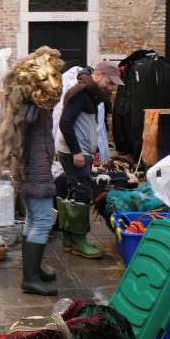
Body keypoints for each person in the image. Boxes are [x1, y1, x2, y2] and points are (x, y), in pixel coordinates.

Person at [0, 47, 64, 295]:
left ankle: (34, 270)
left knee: (33, 220)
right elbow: (25, 123)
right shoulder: (28, 106)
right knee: (41, 221)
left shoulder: (27, 104)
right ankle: (30, 278)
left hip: (30, 170)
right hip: (35, 172)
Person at [55, 60, 123, 259]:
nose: (111, 88)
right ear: (98, 75)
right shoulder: (82, 92)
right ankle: (79, 241)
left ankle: (70, 240)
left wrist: (93, 149)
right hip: (73, 151)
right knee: (83, 191)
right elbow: (65, 123)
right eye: (110, 83)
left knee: (73, 191)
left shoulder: (92, 94)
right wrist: (76, 151)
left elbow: (87, 125)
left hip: (81, 149)